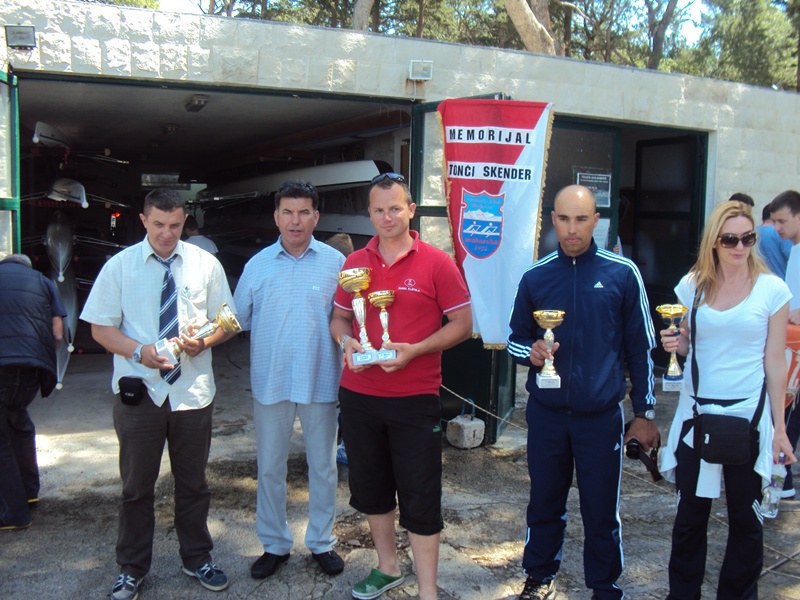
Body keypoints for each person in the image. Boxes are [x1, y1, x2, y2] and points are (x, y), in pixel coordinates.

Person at [80, 189, 237, 600]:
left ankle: (197, 558)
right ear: (143, 220)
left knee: (194, 484)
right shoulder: (120, 266)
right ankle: (132, 569)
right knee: (136, 488)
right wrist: (138, 351)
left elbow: (228, 321)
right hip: (141, 394)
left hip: (192, 393)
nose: (167, 234)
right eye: (159, 225)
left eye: (175, 225)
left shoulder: (205, 264)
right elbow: (100, 328)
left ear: (185, 222)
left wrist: (206, 342)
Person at [507, 184, 659, 600]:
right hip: (547, 415)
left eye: (580, 219)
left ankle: (605, 587)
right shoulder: (535, 276)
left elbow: (641, 348)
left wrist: (644, 411)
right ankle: (539, 576)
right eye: (564, 219)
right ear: (552, 220)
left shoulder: (622, 274)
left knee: (601, 510)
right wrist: (532, 352)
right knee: (544, 502)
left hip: (600, 418)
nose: (572, 229)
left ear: (596, 221)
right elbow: (515, 339)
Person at [329, 172, 472, 600]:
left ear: (411, 210)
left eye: (395, 208)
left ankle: (428, 590)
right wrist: (346, 342)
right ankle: (388, 568)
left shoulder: (437, 262)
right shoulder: (354, 263)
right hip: (359, 396)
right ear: (369, 213)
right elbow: (339, 318)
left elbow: (462, 325)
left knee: (420, 494)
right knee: (371, 489)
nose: (387, 217)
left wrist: (416, 350)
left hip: (414, 398)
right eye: (378, 210)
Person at [659, 200, 795, 599]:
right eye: (730, 239)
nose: (740, 247)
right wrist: (676, 344)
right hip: (697, 412)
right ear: (714, 242)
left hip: (748, 415)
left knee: (746, 522)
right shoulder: (692, 286)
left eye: (748, 238)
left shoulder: (772, 289)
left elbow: (775, 362)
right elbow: (690, 346)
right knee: (690, 519)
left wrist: (781, 429)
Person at [233, 180, 346, 580]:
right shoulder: (257, 265)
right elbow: (235, 319)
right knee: (269, 468)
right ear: (276, 217)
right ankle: (275, 544)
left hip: (321, 379)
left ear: (316, 217)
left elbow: (350, 318)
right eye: (287, 212)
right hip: (272, 382)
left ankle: (322, 542)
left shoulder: (337, 263)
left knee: (323, 467)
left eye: (303, 212)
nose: (295, 221)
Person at [0, 254, 65, 530]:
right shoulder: (43, 281)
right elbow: (58, 333)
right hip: (31, 371)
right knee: (19, 423)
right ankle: (29, 493)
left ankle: (13, 515)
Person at [769, 190, 800, 499]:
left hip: (795, 353)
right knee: (787, 416)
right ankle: (782, 481)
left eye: (782, 221)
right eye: (774, 221)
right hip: (792, 347)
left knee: (787, 416)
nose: (777, 228)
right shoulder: (794, 249)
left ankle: (780, 482)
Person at [757, 202, 792, 280]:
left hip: (757, 282)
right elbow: (792, 257)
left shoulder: (752, 233)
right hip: (781, 281)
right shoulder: (781, 233)